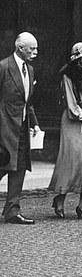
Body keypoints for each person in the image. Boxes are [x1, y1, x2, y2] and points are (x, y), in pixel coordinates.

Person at [48, 42, 82, 220]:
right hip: (74, 121)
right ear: (78, 57)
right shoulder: (68, 76)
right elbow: (72, 105)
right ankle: (60, 198)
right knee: (71, 160)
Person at [0, 32, 40, 224]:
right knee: (3, 165)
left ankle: (12, 210)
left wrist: (35, 123)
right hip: (4, 128)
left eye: (36, 48)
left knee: (20, 167)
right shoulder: (3, 67)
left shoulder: (30, 70)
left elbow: (27, 101)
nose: (35, 52)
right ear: (20, 48)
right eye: (31, 49)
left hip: (22, 127)